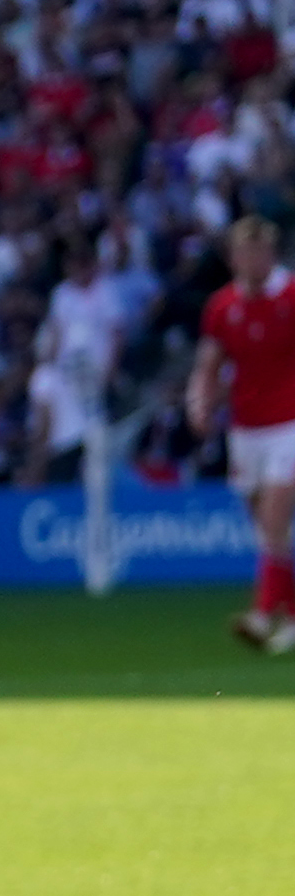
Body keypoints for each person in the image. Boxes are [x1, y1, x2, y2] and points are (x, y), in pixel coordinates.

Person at [188, 216, 295, 649]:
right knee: (270, 532)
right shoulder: (222, 306)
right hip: (245, 428)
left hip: (289, 423)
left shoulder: (291, 295)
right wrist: (200, 401)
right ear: (233, 258)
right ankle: (290, 615)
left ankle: (260, 614)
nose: (251, 261)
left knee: (273, 521)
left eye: (259, 252)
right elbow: (209, 363)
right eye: (243, 253)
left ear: (271, 254)